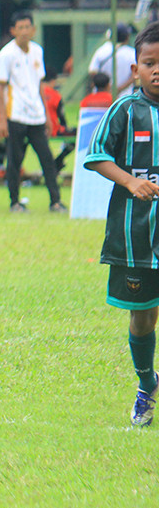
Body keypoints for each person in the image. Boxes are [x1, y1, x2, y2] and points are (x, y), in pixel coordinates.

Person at [84, 21, 159, 426]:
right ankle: (147, 384)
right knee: (144, 313)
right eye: (150, 63)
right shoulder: (125, 110)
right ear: (135, 70)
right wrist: (131, 181)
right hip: (135, 235)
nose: (157, 70)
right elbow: (95, 155)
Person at [0, 11, 66, 214]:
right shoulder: (6, 55)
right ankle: (14, 202)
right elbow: (0, 87)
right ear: (13, 31)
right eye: (20, 28)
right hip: (15, 114)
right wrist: (2, 119)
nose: (25, 31)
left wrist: (47, 116)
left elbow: (40, 85)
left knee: (47, 159)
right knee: (15, 161)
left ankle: (56, 201)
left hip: (36, 115)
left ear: (34, 30)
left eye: (28, 27)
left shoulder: (37, 51)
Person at [88, 24, 136, 99]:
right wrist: (118, 89)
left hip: (101, 96)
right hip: (125, 97)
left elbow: (93, 72)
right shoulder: (132, 53)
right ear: (127, 37)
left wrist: (105, 88)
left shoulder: (101, 51)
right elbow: (135, 75)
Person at [42, 68, 76, 173]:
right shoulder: (55, 95)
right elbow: (62, 119)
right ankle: (58, 161)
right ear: (53, 80)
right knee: (76, 135)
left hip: (34, 130)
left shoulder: (33, 93)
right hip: (52, 130)